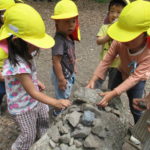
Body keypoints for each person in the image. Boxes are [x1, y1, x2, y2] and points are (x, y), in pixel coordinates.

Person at [0, 3, 71, 150]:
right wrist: (56, 102)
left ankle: (44, 141)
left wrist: (35, 80)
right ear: (16, 41)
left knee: (44, 115)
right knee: (28, 134)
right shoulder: (18, 65)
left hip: (33, 98)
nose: (37, 47)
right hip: (22, 106)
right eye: (34, 43)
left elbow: (26, 78)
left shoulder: (26, 53)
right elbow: (31, 91)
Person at [87, 0, 150, 124]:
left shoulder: (148, 53)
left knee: (136, 106)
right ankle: (106, 120)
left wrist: (115, 92)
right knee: (109, 95)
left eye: (129, 36)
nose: (124, 39)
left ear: (145, 35)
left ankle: (137, 127)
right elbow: (107, 59)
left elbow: (135, 78)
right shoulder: (120, 41)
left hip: (138, 80)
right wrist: (94, 78)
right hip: (121, 71)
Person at [50, 0, 80, 116]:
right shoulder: (59, 40)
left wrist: (74, 65)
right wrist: (61, 79)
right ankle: (58, 113)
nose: (71, 24)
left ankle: (62, 107)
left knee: (65, 93)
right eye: (67, 21)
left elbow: (71, 53)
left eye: (73, 21)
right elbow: (56, 61)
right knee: (62, 95)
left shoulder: (68, 36)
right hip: (62, 75)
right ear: (57, 22)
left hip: (67, 72)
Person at [95, 0, 126, 89]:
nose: (115, 15)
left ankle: (110, 99)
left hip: (117, 64)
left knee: (113, 85)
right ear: (108, 13)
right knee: (97, 80)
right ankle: (92, 95)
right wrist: (107, 36)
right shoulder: (105, 27)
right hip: (104, 61)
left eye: (119, 12)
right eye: (112, 11)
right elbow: (98, 41)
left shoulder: (124, 30)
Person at [0, 0, 23, 114]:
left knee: (12, 89)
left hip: (11, 66)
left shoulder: (13, 27)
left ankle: (11, 101)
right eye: (3, 13)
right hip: (1, 71)